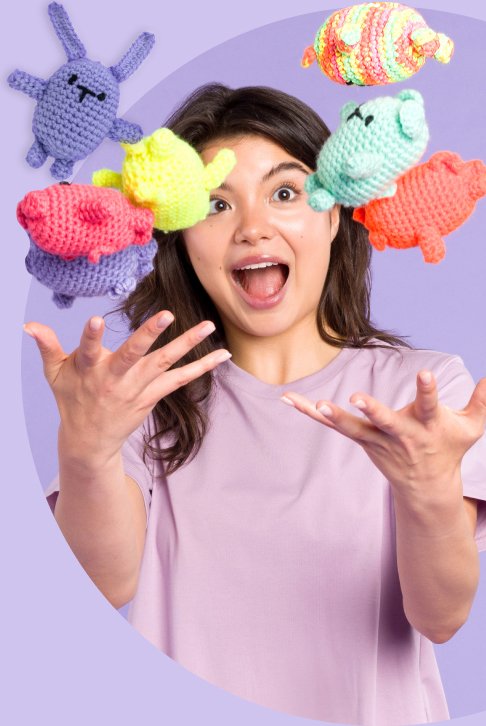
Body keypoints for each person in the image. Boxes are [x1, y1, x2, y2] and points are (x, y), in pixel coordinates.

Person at [25, 84, 486, 726]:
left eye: (286, 192)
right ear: (180, 235)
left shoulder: (425, 392)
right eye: (216, 203)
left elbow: (441, 617)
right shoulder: (141, 402)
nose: (252, 228)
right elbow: (102, 588)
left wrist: (429, 491)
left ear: (334, 214)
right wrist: (86, 450)